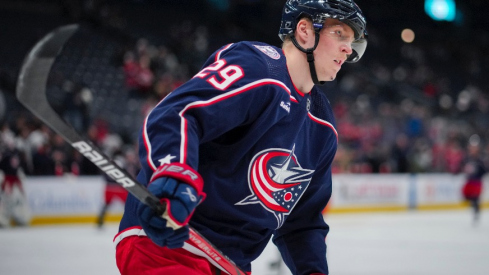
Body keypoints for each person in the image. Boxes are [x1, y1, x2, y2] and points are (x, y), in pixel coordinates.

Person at [114, 0, 368, 274]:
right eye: (339, 33)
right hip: (170, 244)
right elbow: (177, 114)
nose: (347, 48)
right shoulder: (259, 67)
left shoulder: (322, 123)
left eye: (353, 41)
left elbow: (303, 222)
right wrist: (173, 175)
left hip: (231, 265)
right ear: (304, 31)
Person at [461, 140, 487, 224]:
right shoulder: (467, 158)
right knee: (467, 196)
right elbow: (462, 167)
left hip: (477, 181)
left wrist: (479, 173)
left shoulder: (480, 160)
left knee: (475, 197)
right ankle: (475, 207)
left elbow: (485, 170)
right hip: (469, 181)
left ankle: (476, 210)